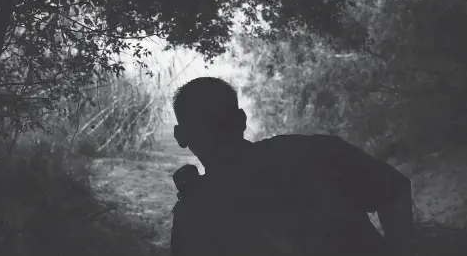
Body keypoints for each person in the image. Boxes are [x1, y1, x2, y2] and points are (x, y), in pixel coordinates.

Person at [170, 77, 414, 256]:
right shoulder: (315, 151)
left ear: (180, 136)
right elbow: (394, 189)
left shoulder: (194, 210)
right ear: (241, 120)